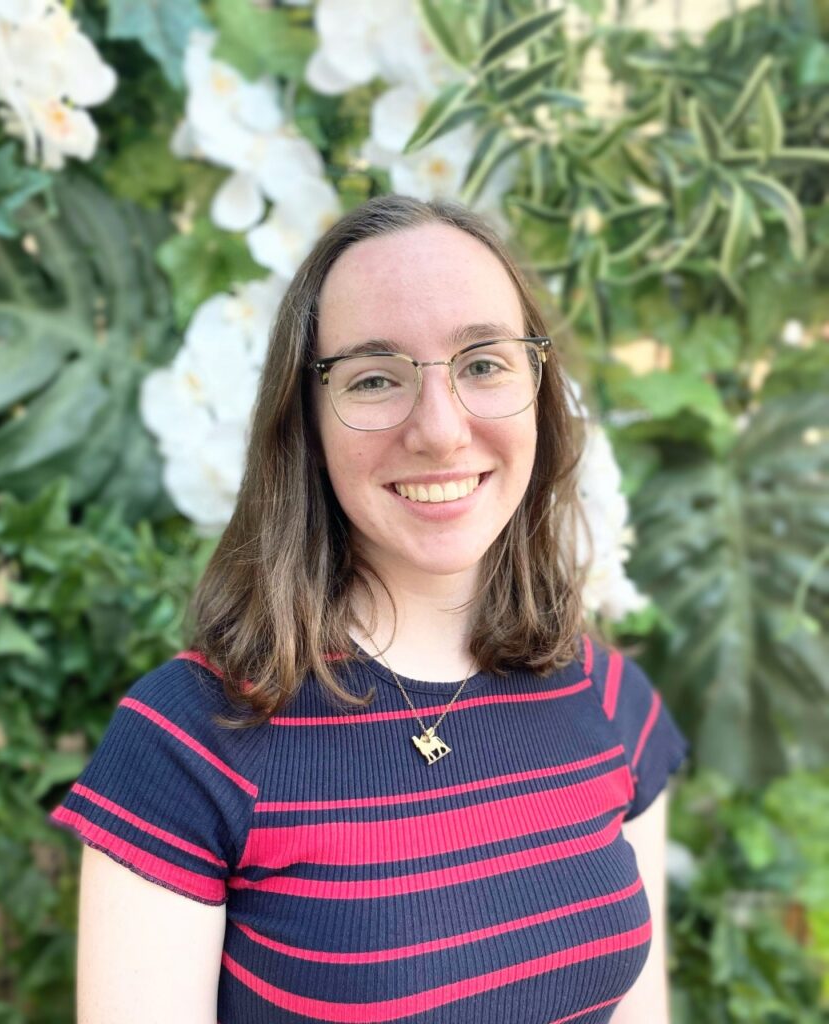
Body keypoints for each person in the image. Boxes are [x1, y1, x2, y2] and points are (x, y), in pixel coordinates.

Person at [48, 195, 689, 1023]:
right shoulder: (187, 745)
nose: (440, 431)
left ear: (539, 389)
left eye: (483, 363)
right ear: (307, 425)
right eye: (376, 379)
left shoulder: (610, 701)